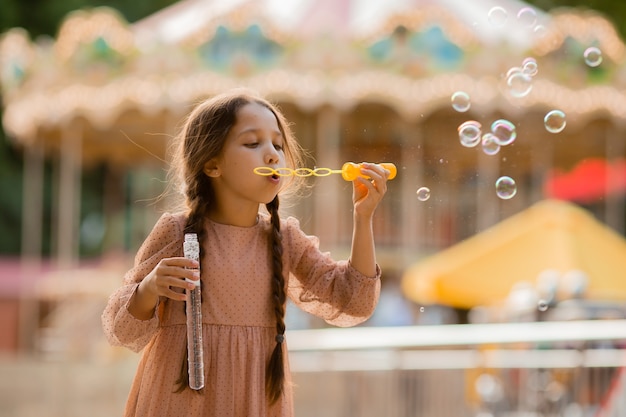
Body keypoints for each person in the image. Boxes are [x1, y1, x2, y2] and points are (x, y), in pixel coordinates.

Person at [101, 88, 390, 417]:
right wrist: (149, 287)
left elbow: (352, 301)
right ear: (212, 165)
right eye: (253, 143)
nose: (272, 155)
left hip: (255, 399)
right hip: (179, 399)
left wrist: (362, 217)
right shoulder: (177, 232)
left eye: (278, 145)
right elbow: (122, 330)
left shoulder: (284, 239)